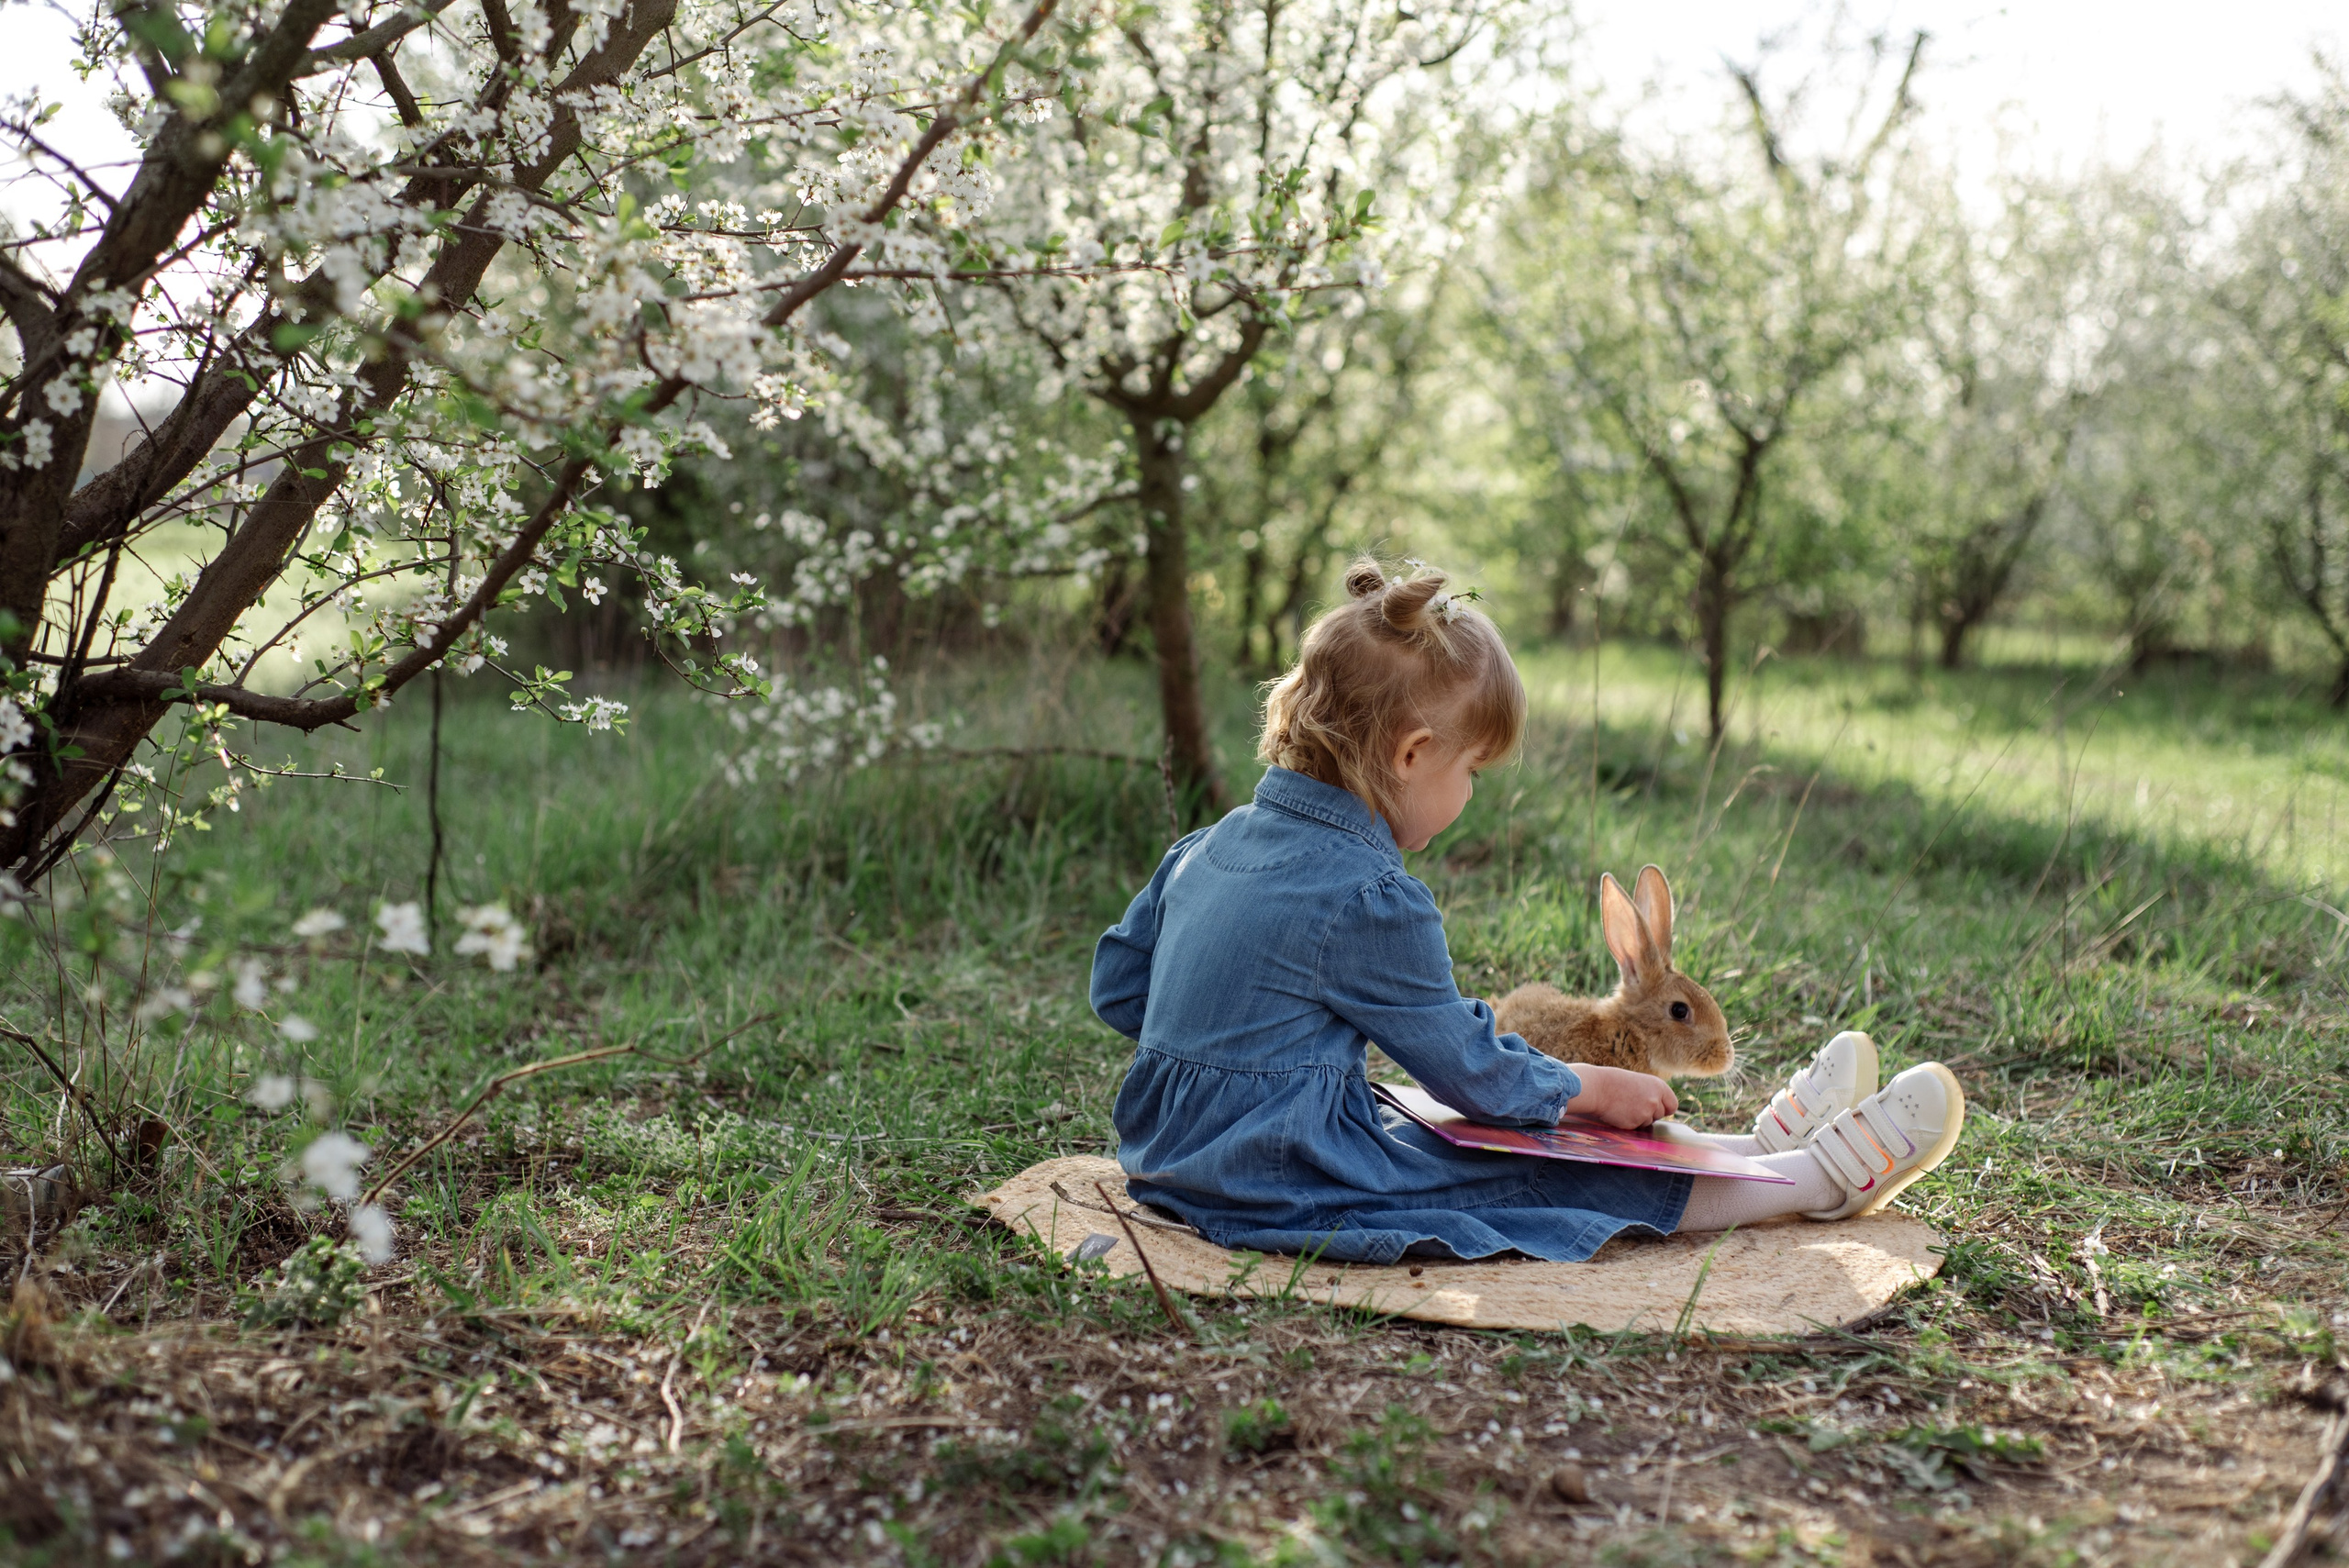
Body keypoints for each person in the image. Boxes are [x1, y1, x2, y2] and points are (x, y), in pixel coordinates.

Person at [1091, 558, 1965, 1264]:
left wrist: (1239, 1056)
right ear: (1410, 753)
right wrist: (1594, 1085)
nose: (1471, 793)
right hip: (1270, 1178)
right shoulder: (1372, 899)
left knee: (1441, 1125)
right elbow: (1473, 1073)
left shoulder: (1205, 844)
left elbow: (1120, 988)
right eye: (1470, 771)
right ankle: (1811, 1177)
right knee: (1529, 1174)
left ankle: (1742, 1144)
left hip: (1167, 1153)